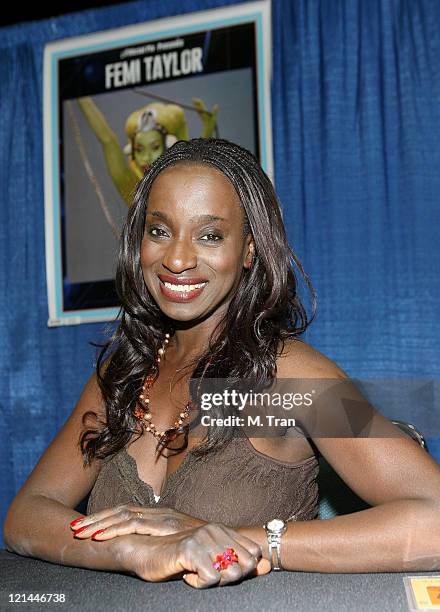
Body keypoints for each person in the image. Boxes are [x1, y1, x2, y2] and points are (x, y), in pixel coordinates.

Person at [4, 139, 440, 589]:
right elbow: (27, 514)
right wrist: (135, 549)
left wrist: (242, 543)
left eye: (210, 235)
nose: (176, 259)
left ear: (249, 250)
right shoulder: (123, 374)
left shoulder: (294, 381)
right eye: (159, 231)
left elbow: (434, 521)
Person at [77, 97, 218, 205]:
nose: (146, 157)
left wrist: (207, 130)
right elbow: (108, 140)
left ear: (168, 147)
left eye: (155, 147)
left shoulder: (186, 182)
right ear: (132, 153)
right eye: (139, 150)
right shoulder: (132, 189)